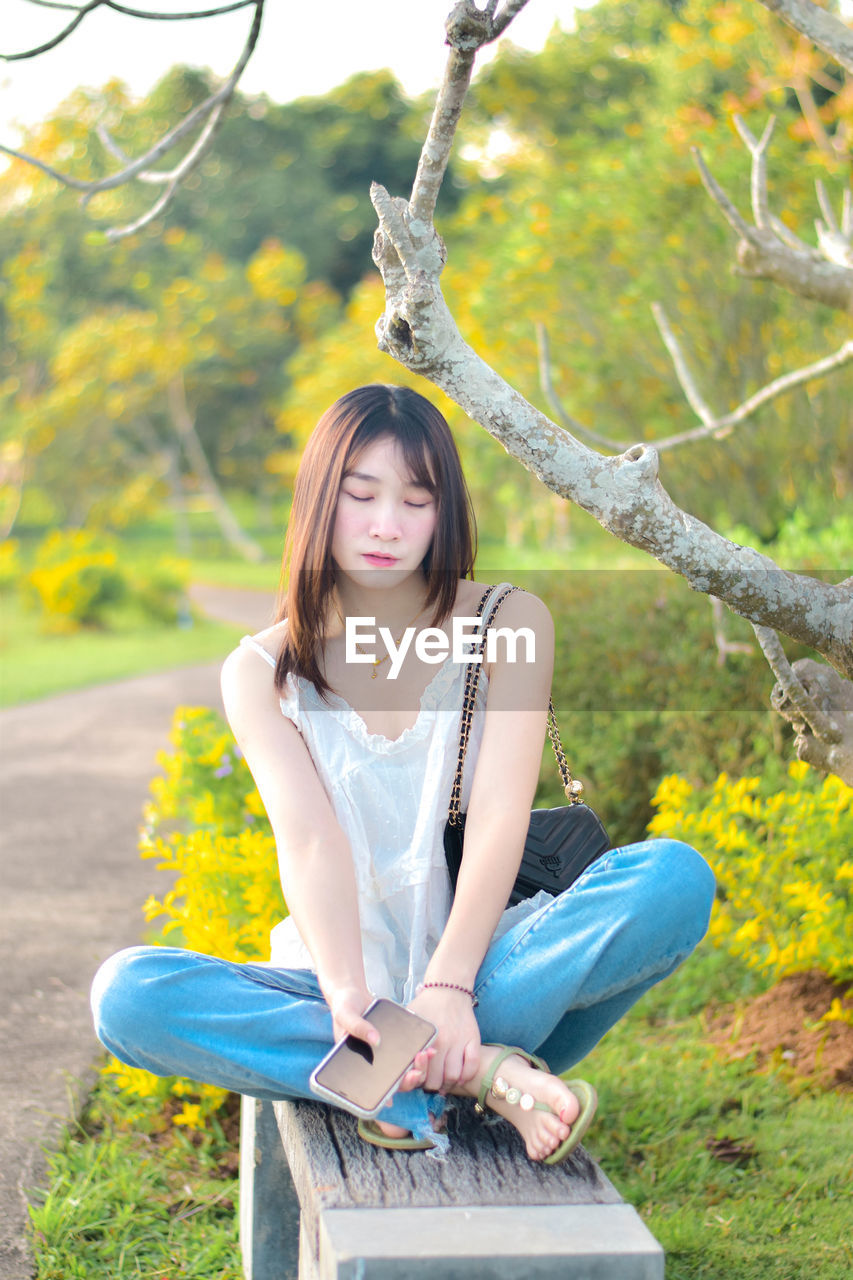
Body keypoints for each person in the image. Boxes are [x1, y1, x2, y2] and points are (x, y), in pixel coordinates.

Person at [91, 383, 715, 1161]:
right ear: (322, 498)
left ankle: (394, 1076)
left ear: (443, 513)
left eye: (416, 502)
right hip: (338, 994)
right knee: (128, 996)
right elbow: (311, 843)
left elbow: (498, 815)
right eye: (362, 495)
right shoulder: (261, 671)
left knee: (674, 878)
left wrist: (450, 988)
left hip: (497, 974)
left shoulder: (508, 624)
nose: (387, 525)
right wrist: (352, 997)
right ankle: (466, 1073)